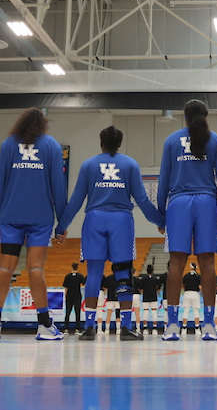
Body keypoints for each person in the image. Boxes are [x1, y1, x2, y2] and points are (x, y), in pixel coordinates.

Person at [59, 125, 163, 341]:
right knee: (123, 273)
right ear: (119, 143)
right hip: (121, 221)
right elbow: (142, 199)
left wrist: (61, 226)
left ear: (101, 143)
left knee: (94, 274)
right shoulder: (130, 164)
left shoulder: (88, 165)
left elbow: (76, 200)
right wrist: (160, 221)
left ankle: (89, 328)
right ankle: (125, 327)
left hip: (94, 219)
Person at [0, 108, 69, 341]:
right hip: (40, 217)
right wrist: (61, 222)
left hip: (11, 215)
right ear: (43, 125)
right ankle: (44, 325)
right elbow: (58, 187)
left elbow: (1, 182)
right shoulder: (52, 145)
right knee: (35, 268)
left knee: (6, 266)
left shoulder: (8, 144)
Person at [158, 99, 217, 341]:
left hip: (178, 202)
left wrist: (161, 213)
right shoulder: (216, 140)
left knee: (176, 263)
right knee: (208, 263)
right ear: (206, 116)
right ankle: (209, 324)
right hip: (206, 203)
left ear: (185, 117)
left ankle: (171, 324)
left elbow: (163, 181)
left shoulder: (171, 141)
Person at [62, 263, 85, 334]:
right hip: (77, 295)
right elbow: (85, 285)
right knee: (77, 313)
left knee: (68, 312)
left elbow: (66, 287)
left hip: (69, 295)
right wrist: (83, 294)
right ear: (77, 267)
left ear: (71, 267)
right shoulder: (80, 276)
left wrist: (65, 297)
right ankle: (77, 329)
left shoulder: (68, 276)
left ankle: (66, 329)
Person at [137, 264, 160, 334]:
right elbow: (158, 288)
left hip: (145, 297)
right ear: (152, 271)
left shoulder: (143, 279)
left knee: (145, 312)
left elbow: (139, 288)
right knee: (154, 312)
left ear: (146, 271)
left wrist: (143, 291)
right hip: (154, 297)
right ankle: (155, 329)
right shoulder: (155, 279)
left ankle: (145, 329)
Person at [181, 262, 202, 333]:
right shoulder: (199, 276)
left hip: (187, 293)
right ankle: (197, 329)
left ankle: (184, 329)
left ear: (190, 267)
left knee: (186, 311)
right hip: (195, 294)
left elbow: (183, 285)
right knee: (196, 311)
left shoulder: (186, 276)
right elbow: (200, 287)